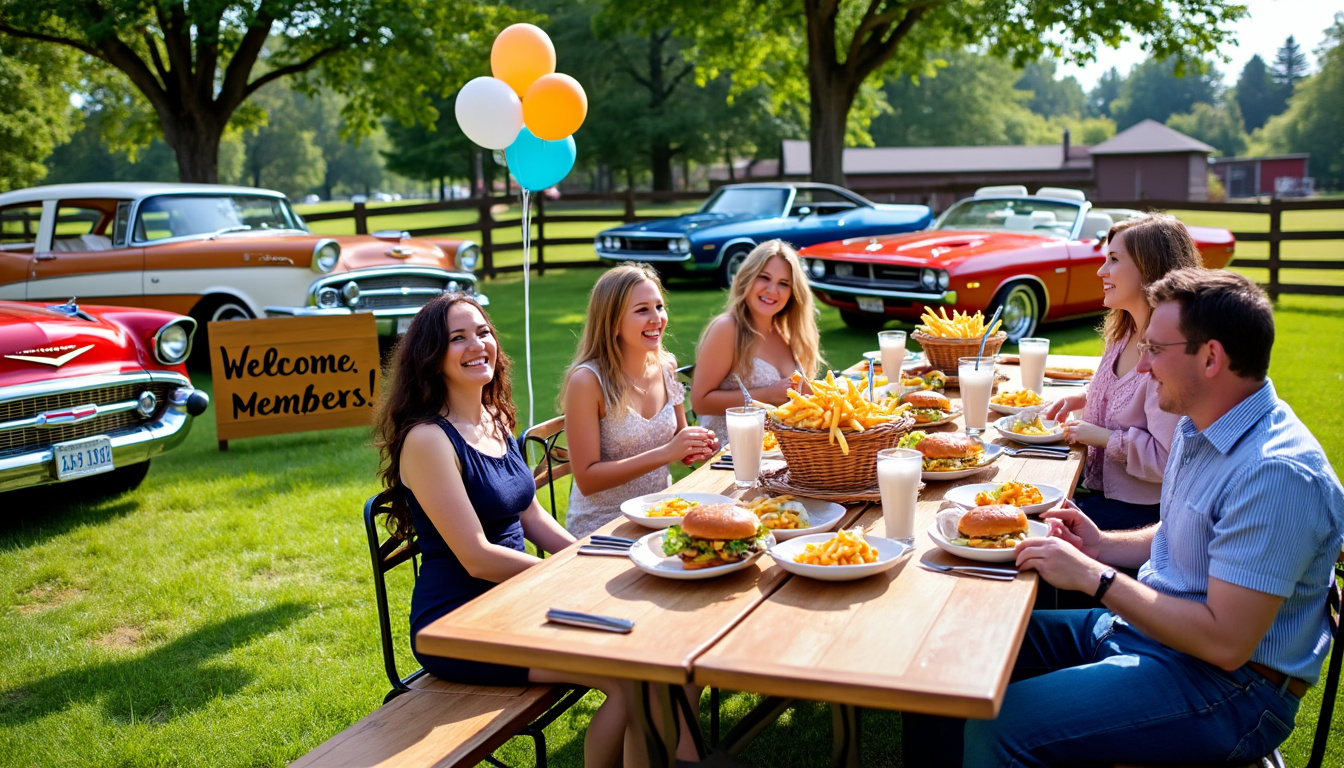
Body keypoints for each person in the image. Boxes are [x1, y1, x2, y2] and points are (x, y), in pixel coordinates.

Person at [931, 268, 1344, 767]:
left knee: (999, 729)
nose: (1143, 367)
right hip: (1149, 633)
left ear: (1211, 357)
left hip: (1230, 686)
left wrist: (1093, 576)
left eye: (1155, 350)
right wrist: (1102, 545)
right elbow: (1179, 533)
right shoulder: (1201, 423)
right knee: (958, 648)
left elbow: (1225, 643)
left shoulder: (1277, 475)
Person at [375, 293, 643, 768]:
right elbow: (476, 556)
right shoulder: (427, 441)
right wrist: (569, 576)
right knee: (626, 678)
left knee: (645, 654)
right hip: (458, 624)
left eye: (482, 332)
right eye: (457, 338)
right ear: (431, 357)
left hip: (517, 601)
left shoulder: (493, 417)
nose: (477, 344)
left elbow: (532, 516)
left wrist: (597, 555)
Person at [1044, 213, 1201, 530]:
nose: (1101, 271)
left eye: (1114, 259)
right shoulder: (1123, 331)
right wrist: (1084, 397)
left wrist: (1103, 438)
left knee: (1035, 529)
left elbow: (1167, 460)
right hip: (1096, 489)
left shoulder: (1173, 353)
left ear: (1150, 268)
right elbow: (1122, 393)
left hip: (1144, 516)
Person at [562, 263, 719, 538]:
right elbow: (587, 479)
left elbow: (679, 439)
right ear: (612, 321)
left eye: (659, 306)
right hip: (603, 528)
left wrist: (695, 444)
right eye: (642, 310)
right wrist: (668, 452)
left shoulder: (667, 366)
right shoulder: (587, 382)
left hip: (660, 516)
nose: (656, 318)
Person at [692, 239, 821, 444]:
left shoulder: (788, 333)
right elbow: (700, 402)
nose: (772, 290)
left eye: (783, 284)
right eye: (764, 278)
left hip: (782, 452)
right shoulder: (728, 329)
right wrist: (767, 395)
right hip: (732, 455)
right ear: (747, 278)